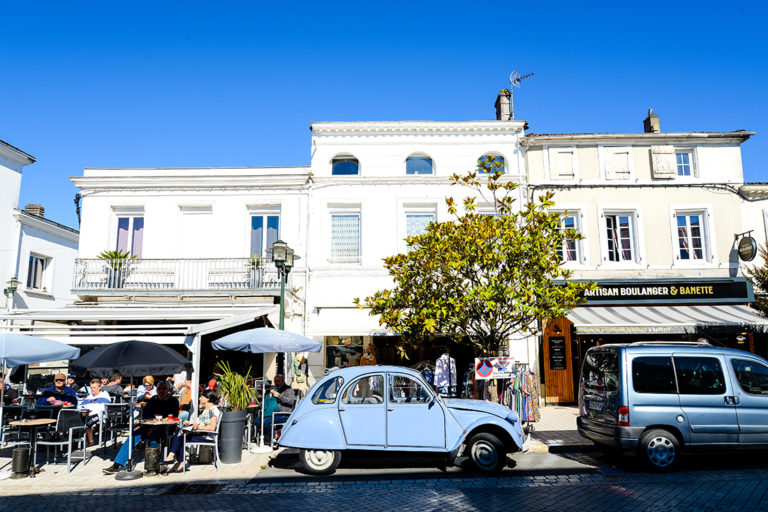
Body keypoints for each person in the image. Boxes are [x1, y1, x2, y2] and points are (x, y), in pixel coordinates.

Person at [102, 380, 179, 474]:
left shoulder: (173, 401)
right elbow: (146, 416)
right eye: (159, 388)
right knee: (132, 437)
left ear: (168, 390)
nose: (161, 391)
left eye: (164, 388)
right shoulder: (153, 399)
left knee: (154, 439)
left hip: (165, 428)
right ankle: (117, 465)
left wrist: (155, 427)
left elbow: (173, 417)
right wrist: (141, 425)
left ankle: (153, 466)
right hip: (148, 427)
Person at [163, 389, 221, 465]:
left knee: (180, 435)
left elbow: (212, 428)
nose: (200, 398)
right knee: (180, 432)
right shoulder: (206, 409)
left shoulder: (213, 410)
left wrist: (198, 428)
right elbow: (200, 422)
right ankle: (178, 459)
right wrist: (189, 423)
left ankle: (175, 457)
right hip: (201, 434)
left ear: (208, 398)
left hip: (206, 437)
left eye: (201, 397)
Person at [79, 379, 111, 446]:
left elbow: (103, 408)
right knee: (76, 420)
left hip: (99, 415)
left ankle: (91, 441)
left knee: (86, 423)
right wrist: (84, 411)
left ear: (99, 387)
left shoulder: (104, 395)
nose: (92, 389)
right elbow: (81, 405)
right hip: (87, 414)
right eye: (91, 388)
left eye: (94, 387)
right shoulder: (89, 396)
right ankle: (76, 440)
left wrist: (91, 412)